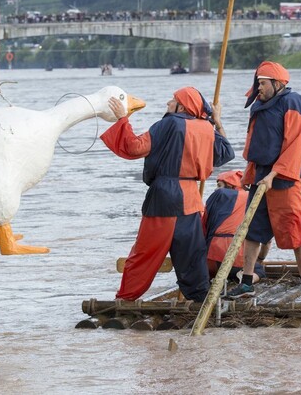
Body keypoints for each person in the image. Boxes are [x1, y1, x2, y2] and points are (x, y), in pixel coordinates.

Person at [101, 87, 235, 302]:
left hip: (165, 198)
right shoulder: (207, 128)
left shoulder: (170, 123)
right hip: (191, 199)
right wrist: (216, 121)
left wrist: (122, 119)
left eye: (172, 101)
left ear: (181, 106)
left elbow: (134, 147)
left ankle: (125, 298)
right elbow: (226, 153)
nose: (168, 104)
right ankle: (202, 301)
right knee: (192, 255)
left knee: (145, 253)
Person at [227, 61, 301, 301]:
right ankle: (246, 282)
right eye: (258, 83)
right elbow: (257, 145)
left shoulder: (293, 102)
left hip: (286, 176)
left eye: (262, 83)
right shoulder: (260, 105)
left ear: (277, 83)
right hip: (260, 175)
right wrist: (250, 174)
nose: (259, 88)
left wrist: (274, 175)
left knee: (295, 230)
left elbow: (294, 145)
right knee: (252, 230)